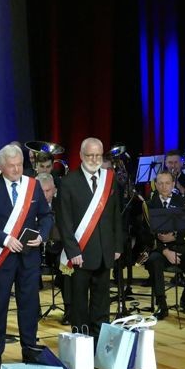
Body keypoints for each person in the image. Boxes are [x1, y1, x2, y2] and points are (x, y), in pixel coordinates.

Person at [0, 143, 53, 364]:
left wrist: (41, 236)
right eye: (11, 165)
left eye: (19, 164)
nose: (16, 169)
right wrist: (4, 239)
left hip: (29, 256)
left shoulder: (33, 185)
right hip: (2, 257)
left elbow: (46, 216)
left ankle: (29, 349)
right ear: (1, 166)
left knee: (29, 304)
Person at [56, 137, 122, 339]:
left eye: (98, 155)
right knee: (79, 303)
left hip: (105, 251)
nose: (94, 159)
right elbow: (64, 221)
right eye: (90, 155)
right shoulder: (68, 182)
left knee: (102, 302)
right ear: (81, 156)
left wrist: (117, 246)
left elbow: (116, 215)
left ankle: (100, 341)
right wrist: (73, 251)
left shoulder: (109, 179)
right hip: (80, 253)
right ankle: (82, 341)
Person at [143, 171, 185, 319]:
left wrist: (175, 237)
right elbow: (145, 235)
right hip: (161, 251)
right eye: (160, 183)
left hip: (183, 249)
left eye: (167, 183)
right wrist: (165, 251)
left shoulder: (184, 202)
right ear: (156, 185)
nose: (164, 186)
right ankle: (162, 305)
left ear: (173, 184)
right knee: (153, 261)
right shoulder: (149, 205)